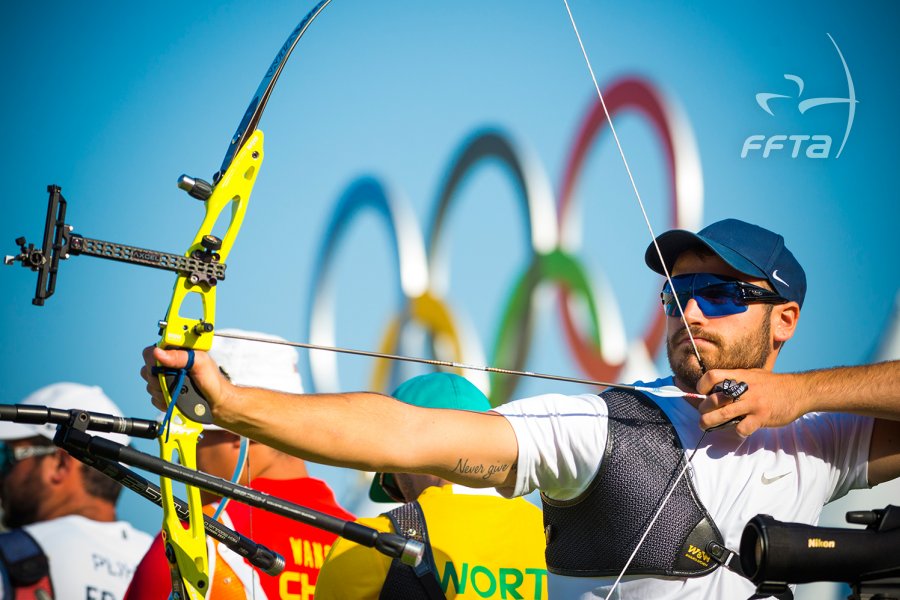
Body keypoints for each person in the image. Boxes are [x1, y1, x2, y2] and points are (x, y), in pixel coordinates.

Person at [141, 219, 900, 599]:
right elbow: (408, 434)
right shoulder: (615, 428)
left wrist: (798, 395)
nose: (691, 314)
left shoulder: (820, 439)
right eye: (677, 295)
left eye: (722, 294)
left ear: (785, 320)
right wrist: (231, 404)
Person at [126, 329, 354, 600]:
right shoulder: (364, 543)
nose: (180, 456)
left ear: (236, 430)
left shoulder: (192, 542)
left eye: (191, 437)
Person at [315, 372, 548, 599]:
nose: (401, 502)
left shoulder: (367, 545)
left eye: (391, 487)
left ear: (399, 453)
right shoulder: (554, 536)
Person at [0, 382, 153, 600]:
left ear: (60, 464)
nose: (2, 476)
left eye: (8, 458)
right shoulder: (172, 563)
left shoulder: (10, 558)